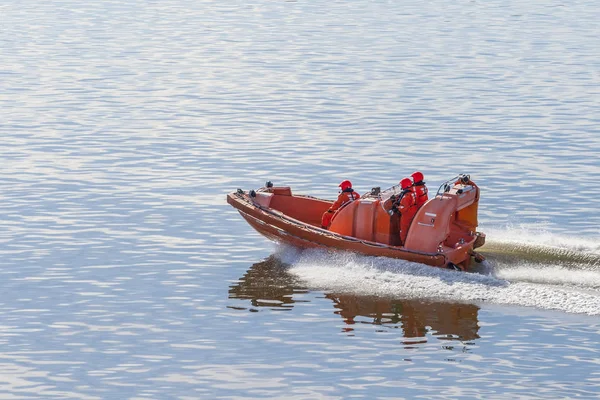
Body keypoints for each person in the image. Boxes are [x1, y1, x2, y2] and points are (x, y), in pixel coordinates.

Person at [390, 177, 418, 244]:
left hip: (406, 215)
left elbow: (403, 208)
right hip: (412, 213)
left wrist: (396, 208)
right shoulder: (412, 193)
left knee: (404, 230)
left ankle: (404, 244)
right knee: (409, 229)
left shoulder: (407, 195)